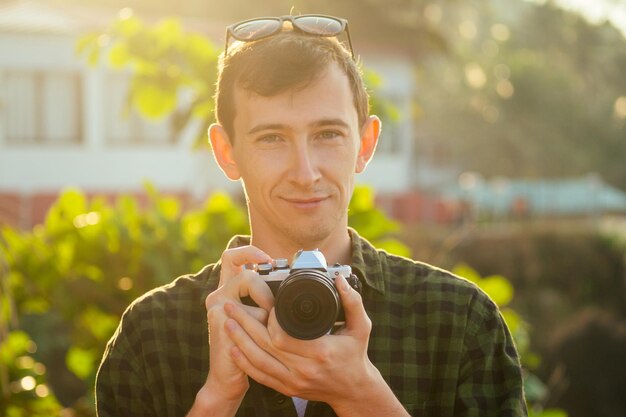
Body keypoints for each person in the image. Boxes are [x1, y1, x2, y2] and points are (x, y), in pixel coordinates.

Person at [96, 14, 527, 417]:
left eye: (327, 134)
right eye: (271, 138)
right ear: (227, 152)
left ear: (365, 143)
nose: (305, 173)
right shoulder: (151, 335)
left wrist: (361, 394)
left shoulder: (460, 321)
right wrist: (216, 400)